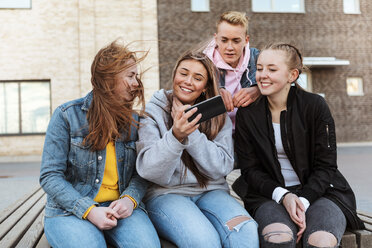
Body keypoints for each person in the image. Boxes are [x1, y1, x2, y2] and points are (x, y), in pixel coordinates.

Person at [232, 43, 365, 248]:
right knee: (279, 239)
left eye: (272, 69)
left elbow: (326, 166)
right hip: (269, 194)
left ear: (292, 75)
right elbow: (250, 170)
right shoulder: (248, 114)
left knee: (321, 241)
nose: (262, 75)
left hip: (321, 193)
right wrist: (284, 195)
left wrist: (302, 201)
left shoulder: (314, 106)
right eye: (259, 68)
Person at [39, 40, 160, 248]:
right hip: (70, 211)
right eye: (130, 76)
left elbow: (140, 173)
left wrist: (129, 201)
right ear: (108, 80)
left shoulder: (135, 121)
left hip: (120, 208)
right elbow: (50, 176)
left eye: (136, 76)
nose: (136, 83)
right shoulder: (67, 116)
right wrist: (89, 210)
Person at [136, 50, 259, 248]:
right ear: (174, 74)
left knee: (245, 232)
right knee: (204, 241)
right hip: (167, 195)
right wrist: (176, 136)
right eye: (183, 73)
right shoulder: (153, 112)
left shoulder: (217, 114)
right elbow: (149, 171)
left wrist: (190, 133)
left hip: (212, 192)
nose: (188, 81)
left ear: (205, 87)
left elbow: (222, 167)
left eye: (198, 77)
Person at [204, 11, 260, 132]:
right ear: (216, 39)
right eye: (224, 40)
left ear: (246, 40)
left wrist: (258, 89)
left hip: (249, 133)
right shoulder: (203, 64)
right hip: (215, 134)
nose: (230, 47)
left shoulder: (257, 58)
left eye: (236, 41)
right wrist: (214, 93)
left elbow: (286, 80)